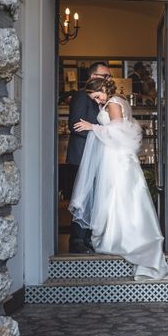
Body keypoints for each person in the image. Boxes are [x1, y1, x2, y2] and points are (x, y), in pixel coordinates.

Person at [69, 77, 168, 280]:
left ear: (103, 89)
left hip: (117, 159)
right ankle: (114, 235)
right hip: (113, 157)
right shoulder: (115, 101)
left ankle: (124, 239)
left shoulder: (114, 103)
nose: (97, 101)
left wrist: (92, 127)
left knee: (119, 195)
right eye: (95, 99)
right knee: (113, 197)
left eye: (97, 96)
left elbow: (118, 132)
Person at [66, 61, 110, 254]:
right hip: (82, 155)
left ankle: (88, 238)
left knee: (93, 198)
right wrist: (98, 134)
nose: (108, 79)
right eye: (104, 76)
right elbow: (75, 124)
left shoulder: (103, 99)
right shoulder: (81, 96)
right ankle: (76, 241)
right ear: (93, 77)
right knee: (81, 198)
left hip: (96, 156)